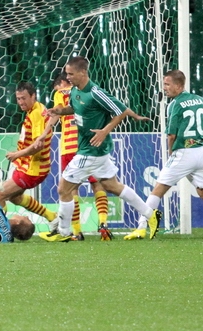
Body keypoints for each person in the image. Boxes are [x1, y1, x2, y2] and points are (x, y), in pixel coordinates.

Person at [43, 56, 161, 242]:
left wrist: (105, 131)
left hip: (91, 150)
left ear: (83, 72)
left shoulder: (96, 92)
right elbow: (74, 108)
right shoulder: (75, 90)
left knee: (63, 189)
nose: (68, 77)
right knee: (112, 185)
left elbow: (121, 110)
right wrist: (59, 111)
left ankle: (63, 232)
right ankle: (150, 214)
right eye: (67, 73)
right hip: (93, 149)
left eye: (71, 74)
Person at [125, 70, 203, 239]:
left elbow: (171, 135)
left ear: (179, 86)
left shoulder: (175, 104)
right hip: (201, 151)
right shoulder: (200, 100)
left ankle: (141, 226)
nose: (164, 88)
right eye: (164, 84)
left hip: (184, 152)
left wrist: (170, 152)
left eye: (167, 84)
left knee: (159, 189)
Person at [38, 72, 113, 240]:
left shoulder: (60, 93)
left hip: (69, 147)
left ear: (61, 83)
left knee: (71, 189)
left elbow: (56, 114)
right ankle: (103, 224)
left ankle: (77, 232)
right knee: (98, 184)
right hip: (89, 144)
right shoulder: (85, 92)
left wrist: (43, 134)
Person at [0, 81, 57, 223]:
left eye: (24, 98)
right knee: (15, 197)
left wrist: (17, 155)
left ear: (33, 96)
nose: (21, 102)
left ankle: (2, 229)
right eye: (18, 98)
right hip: (29, 166)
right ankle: (52, 217)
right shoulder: (36, 109)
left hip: (33, 170)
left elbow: (38, 146)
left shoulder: (36, 114)